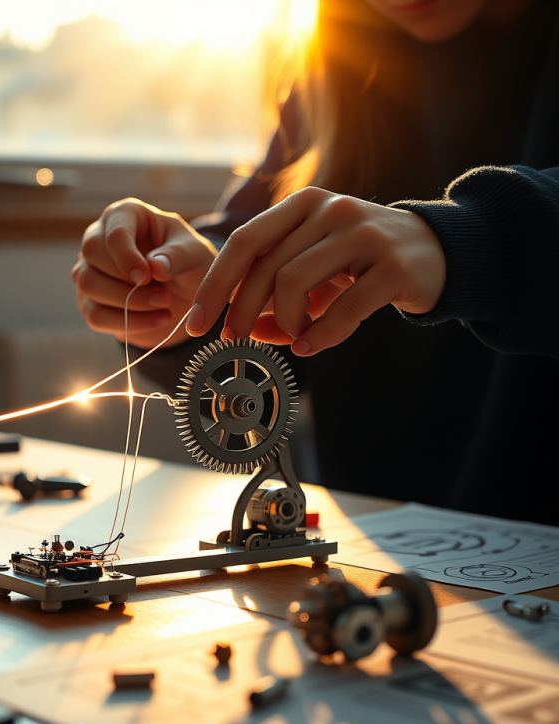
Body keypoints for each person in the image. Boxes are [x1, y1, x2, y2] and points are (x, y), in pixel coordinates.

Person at [71, 0, 559, 525]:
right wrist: (182, 303)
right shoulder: (333, 70)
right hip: (381, 551)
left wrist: (460, 241)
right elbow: (273, 313)